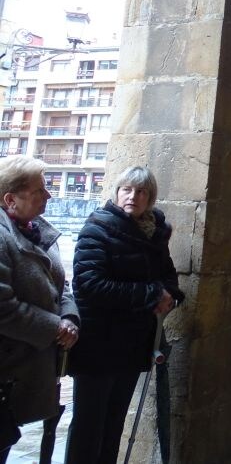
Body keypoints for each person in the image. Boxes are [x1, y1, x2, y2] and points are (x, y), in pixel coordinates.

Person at [66, 166, 184, 464]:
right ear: (117, 192)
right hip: (99, 343)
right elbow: (89, 285)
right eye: (127, 189)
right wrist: (151, 295)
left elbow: (168, 277)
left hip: (132, 342)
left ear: (150, 198)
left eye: (142, 191)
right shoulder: (97, 229)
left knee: (115, 422)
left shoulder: (154, 234)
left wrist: (170, 297)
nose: (134, 196)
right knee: (88, 425)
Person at [0, 156, 79, 464]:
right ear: (10, 199)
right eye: (39, 190)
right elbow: (3, 307)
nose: (48, 196)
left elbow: (63, 287)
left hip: (26, 371)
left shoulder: (39, 231)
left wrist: (69, 318)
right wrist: (54, 327)